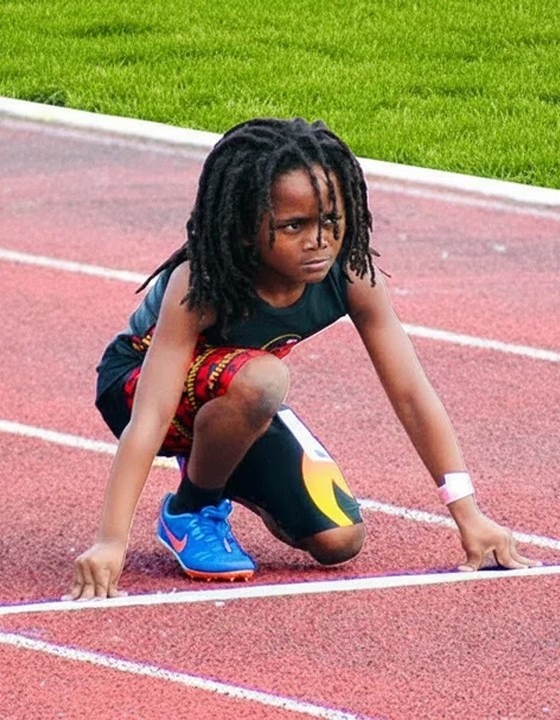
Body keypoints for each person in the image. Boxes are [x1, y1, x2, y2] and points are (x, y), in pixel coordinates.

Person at [68, 118, 535, 600]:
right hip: (139, 387)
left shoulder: (352, 275)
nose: (319, 241)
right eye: (294, 226)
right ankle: (193, 509)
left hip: (238, 392)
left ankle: (219, 446)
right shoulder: (201, 285)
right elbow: (150, 416)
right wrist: (110, 541)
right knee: (264, 378)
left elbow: (413, 396)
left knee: (339, 541)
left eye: (331, 221)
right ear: (247, 232)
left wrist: (468, 514)